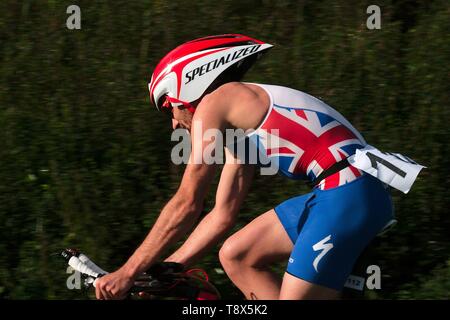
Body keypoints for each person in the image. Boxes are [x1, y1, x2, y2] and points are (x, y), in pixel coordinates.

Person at [95, 34, 396, 300]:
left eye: (167, 109)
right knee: (237, 254)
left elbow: (187, 202)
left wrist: (128, 271)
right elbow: (222, 214)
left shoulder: (216, 101)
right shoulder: (240, 120)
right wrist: (169, 270)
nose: (173, 122)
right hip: (344, 191)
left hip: (345, 192)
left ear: (183, 88)